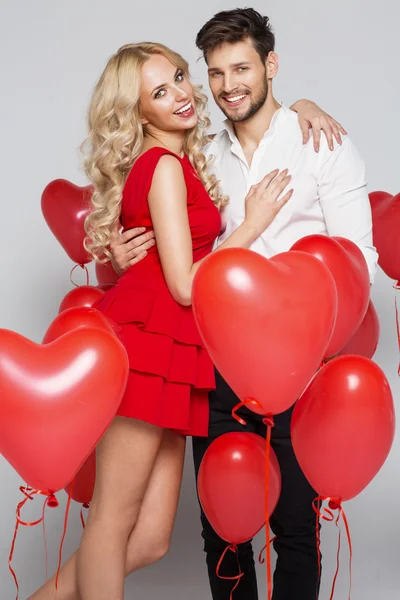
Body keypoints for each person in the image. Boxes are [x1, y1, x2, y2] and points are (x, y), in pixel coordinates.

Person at [30, 38, 323, 600]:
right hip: (147, 352)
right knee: (112, 525)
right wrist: (253, 224)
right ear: (139, 113)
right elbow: (186, 285)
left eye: (182, 78)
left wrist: (302, 105)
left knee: (149, 541)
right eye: (159, 92)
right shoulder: (161, 165)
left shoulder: (180, 162)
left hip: (177, 356)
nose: (182, 95)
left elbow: (165, 264)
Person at [108, 9, 378, 600]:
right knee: (223, 530)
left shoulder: (321, 142)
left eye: (242, 68)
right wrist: (122, 254)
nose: (229, 84)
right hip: (217, 362)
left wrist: (305, 105)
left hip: (303, 366)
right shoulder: (197, 159)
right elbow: (177, 251)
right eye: (215, 72)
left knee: (296, 530)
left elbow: (357, 259)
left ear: (270, 66)